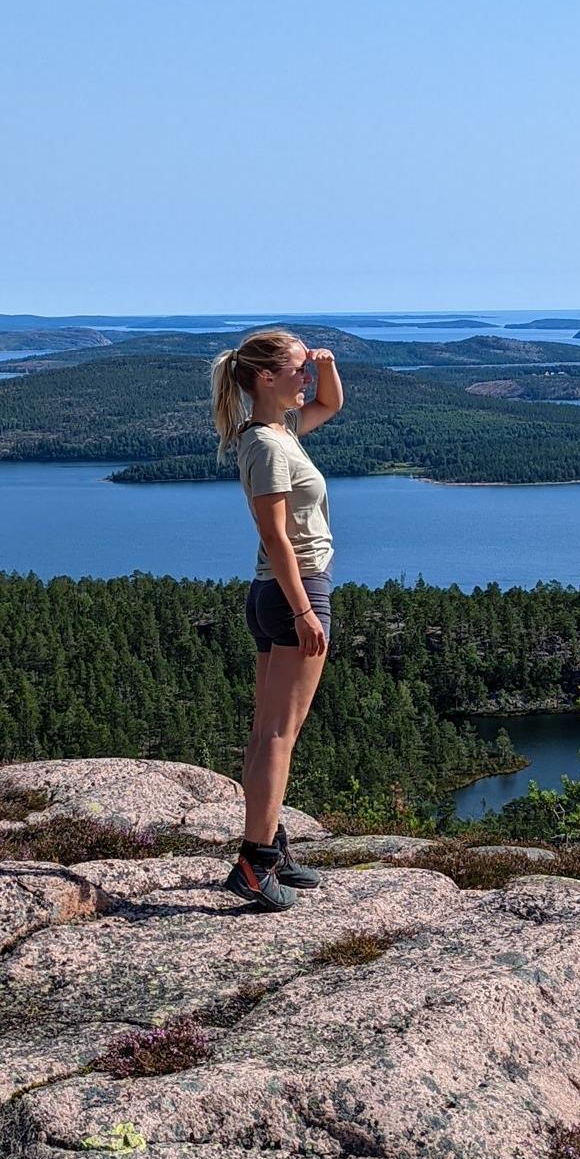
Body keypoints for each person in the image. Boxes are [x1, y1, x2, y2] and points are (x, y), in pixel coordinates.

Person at [209, 325, 345, 908]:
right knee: (279, 737)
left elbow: (329, 404)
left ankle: (269, 846)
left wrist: (325, 361)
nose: (307, 379)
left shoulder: (278, 431)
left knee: (267, 733)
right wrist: (305, 612)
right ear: (265, 378)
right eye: (296, 371)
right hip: (295, 593)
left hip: (274, 596)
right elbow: (277, 536)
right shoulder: (265, 446)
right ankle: (256, 860)